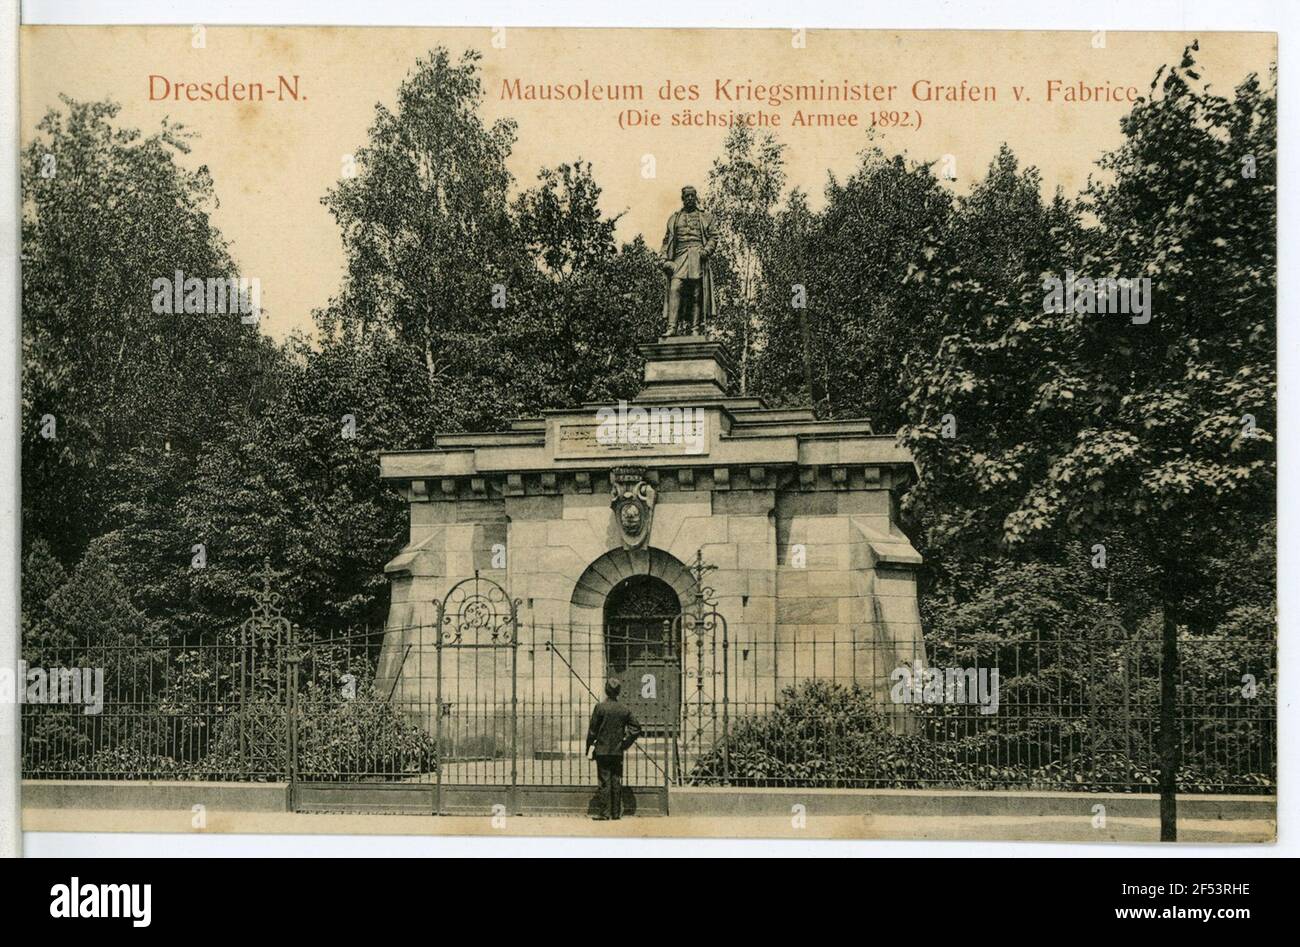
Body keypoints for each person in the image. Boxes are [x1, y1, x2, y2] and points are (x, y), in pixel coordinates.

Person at [659, 185, 718, 335]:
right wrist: (663, 258)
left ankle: (695, 328)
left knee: (696, 293)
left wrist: (707, 250)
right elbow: (666, 241)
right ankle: (672, 327)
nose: (690, 198)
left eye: (693, 196)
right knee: (675, 288)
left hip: (697, 256)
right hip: (679, 257)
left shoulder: (706, 217)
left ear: (696, 197)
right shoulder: (674, 219)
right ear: (683, 199)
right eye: (687, 196)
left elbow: (713, 237)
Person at [585, 677, 642, 820]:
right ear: (619, 692)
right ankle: (616, 813)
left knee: (604, 781)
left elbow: (592, 731)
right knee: (616, 780)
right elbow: (636, 728)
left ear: (606, 690)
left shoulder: (600, 707)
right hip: (617, 751)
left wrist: (589, 748)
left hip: (602, 750)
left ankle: (605, 813)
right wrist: (624, 743)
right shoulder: (624, 709)